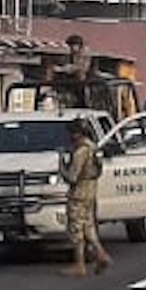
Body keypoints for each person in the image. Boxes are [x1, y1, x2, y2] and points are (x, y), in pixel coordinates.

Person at [62, 118, 112, 278]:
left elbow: (72, 177)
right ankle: (101, 254)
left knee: (76, 228)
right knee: (88, 227)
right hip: (91, 191)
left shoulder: (81, 151)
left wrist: (61, 167)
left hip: (79, 193)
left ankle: (79, 265)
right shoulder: (93, 147)